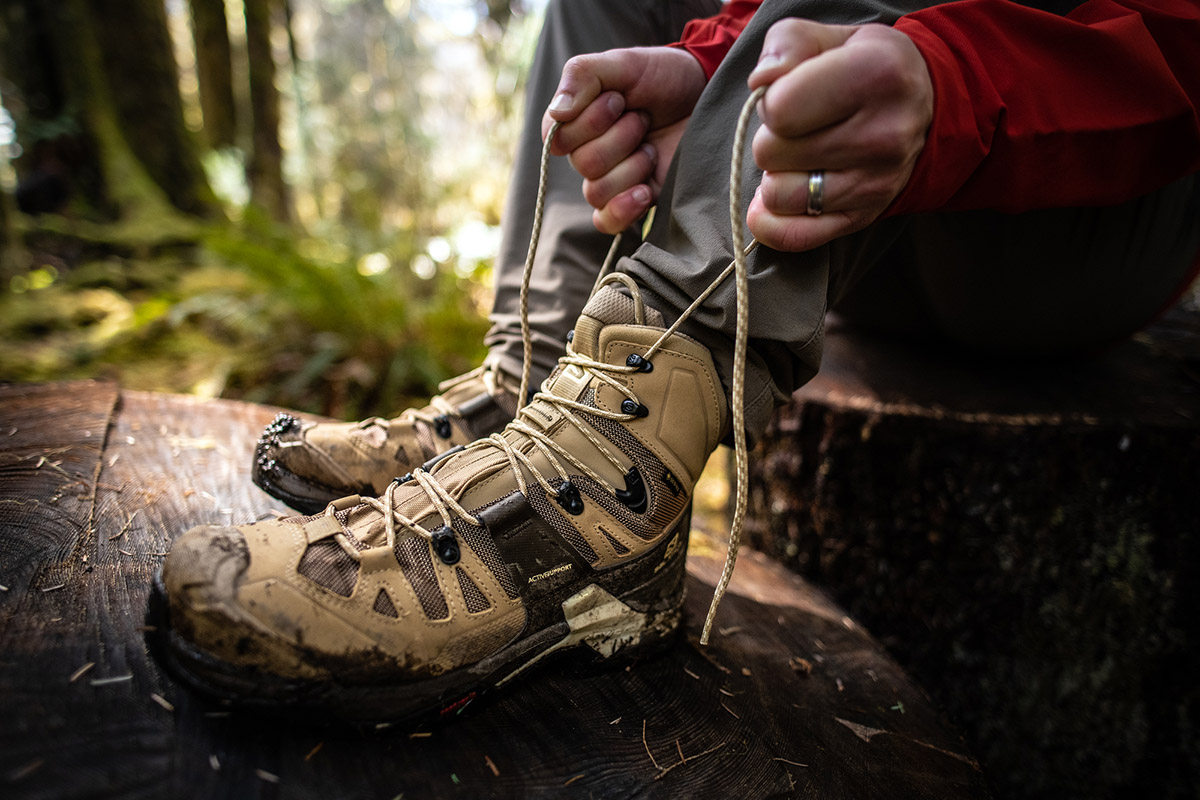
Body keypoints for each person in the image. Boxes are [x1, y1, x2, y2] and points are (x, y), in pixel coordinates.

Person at [155, 0, 1200, 721]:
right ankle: (537, 381)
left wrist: (955, 79)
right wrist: (710, 72)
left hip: (1067, 220)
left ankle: (612, 472)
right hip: (843, 209)